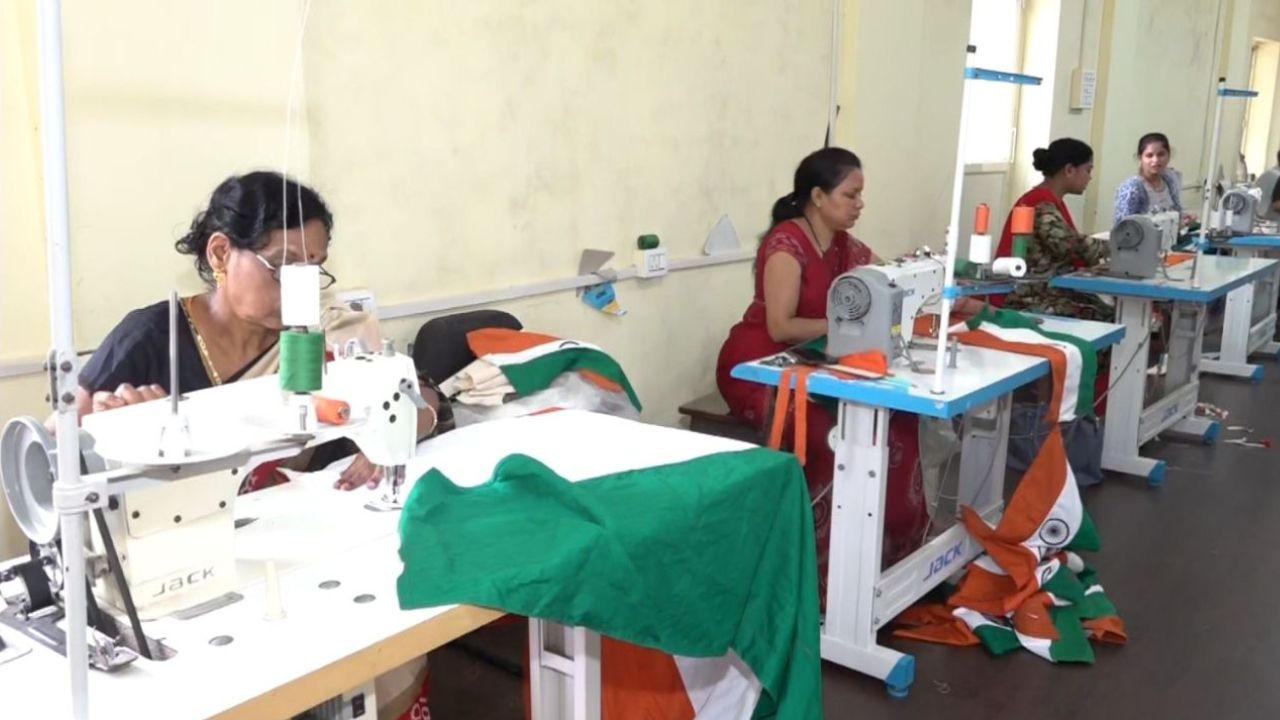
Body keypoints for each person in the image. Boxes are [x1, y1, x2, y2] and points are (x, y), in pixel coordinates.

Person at [715, 148, 927, 604]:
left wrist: (926, 284)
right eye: (851, 194)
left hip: (816, 359)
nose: (859, 204)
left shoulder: (848, 247)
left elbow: (893, 279)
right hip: (762, 365)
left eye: (860, 195)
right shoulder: (786, 244)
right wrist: (852, 327)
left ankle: (888, 565)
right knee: (830, 435)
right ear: (817, 195)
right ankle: (820, 583)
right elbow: (781, 326)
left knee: (899, 423)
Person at [996, 138, 1112, 321]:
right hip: (1026, 296)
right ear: (1069, 170)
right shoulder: (1040, 204)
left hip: (1043, 289)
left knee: (1107, 309)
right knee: (1106, 316)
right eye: (1088, 170)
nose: (1090, 177)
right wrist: (1117, 247)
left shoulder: (1049, 201)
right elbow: (1069, 244)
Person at [1112, 132, 1188, 225]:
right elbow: (1122, 229)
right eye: (1149, 155)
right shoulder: (1132, 188)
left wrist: (1184, 220)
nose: (1155, 160)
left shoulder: (1169, 181)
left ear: (1168, 155)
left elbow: (1177, 214)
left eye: (1161, 154)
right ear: (1140, 158)